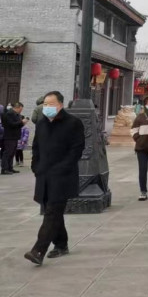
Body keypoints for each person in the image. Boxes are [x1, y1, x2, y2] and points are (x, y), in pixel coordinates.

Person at [24, 91, 85, 265]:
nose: (47, 107)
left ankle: (38, 250)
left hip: (62, 176)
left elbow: (77, 149)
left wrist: (62, 168)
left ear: (60, 105)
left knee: (52, 212)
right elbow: (36, 147)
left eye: (51, 104)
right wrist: (35, 166)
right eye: (45, 104)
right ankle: (61, 244)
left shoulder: (73, 123)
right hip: (43, 175)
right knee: (52, 211)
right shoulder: (41, 123)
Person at [1, 102, 27, 175]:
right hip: (9, 136)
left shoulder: (16, 114)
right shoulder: (9, 114)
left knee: (12, 153)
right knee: (8, 153)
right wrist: (21, 122)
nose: (21, 111)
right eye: (21, 109)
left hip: (14, 136)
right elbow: (11, 124)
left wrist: (22, 123)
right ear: (17, 107)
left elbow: (17, 125)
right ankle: (4, 169)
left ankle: (10, 168)